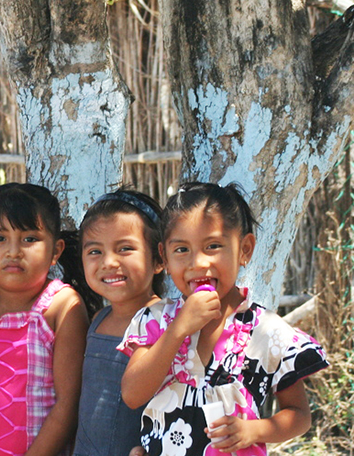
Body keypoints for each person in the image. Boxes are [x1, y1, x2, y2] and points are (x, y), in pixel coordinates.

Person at [119, 183, 329, 455]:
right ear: (165, 258)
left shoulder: (265, 331)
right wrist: (177, 330)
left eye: (213, 246)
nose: (198, 263)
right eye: (182, 250)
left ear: (245, 249)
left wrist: (254, 431)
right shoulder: (154, 321)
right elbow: (132, 395)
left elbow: (299, 414)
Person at [0, 183, 89, 456]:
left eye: (30, 239)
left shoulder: (62, 307)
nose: (13, 251)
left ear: (55, 250)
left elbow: (68, 404)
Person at [73, 190, 165, 456]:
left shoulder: (163, 321)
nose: (109, 262)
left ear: (158, 259)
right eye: (94, 251)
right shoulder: (98, 320)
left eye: (125, 249)